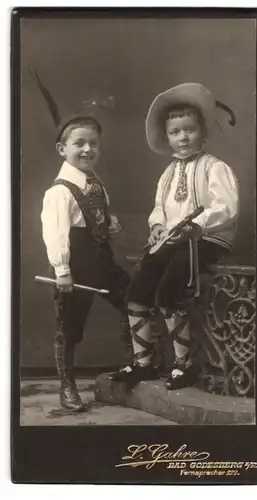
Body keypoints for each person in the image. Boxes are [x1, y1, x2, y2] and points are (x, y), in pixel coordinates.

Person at [109, 83, 239, 390]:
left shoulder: (215, 168)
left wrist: (198, 225)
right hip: (171, 241)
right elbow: (159, 209)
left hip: (205, 240)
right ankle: (144, 362)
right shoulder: (168, 174)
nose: (183, 138)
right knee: (137, 292)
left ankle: (185, 364)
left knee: (168, 293)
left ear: (203, 133)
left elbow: (227, 207)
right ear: (167, 138)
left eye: (190, 130)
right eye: (175, 132)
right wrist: (157, 226)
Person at [41, 115, 130, 411]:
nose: (88, 149)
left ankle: (138, 366)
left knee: (135, 302)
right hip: (76, 266)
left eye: (93, 143)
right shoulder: (59, 191)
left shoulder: (96, 185)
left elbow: (97, 216)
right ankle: (68, 388)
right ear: (61, 149)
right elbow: (56, 233)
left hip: (102, 262)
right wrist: (62, 270)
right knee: (69, 328)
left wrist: (110, 223)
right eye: (79, 143)